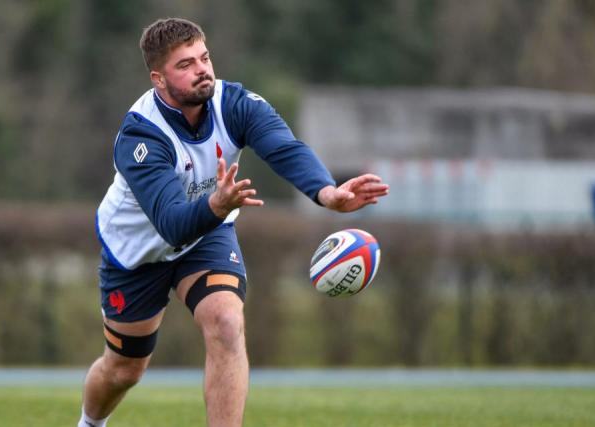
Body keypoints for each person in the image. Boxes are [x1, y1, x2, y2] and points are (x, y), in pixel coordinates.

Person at [79, 17, 389, 427]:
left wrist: (327, 192)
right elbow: (171, 224)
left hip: (207, 232)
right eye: (185, 64)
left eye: (204, 57)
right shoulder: (141, 136)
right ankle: (90, 423)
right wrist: (216, 205)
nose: (202, 69)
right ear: (158, 79)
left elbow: (284, 147)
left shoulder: (235, 103)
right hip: (136, 251)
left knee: (226, 322)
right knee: (123, 370)